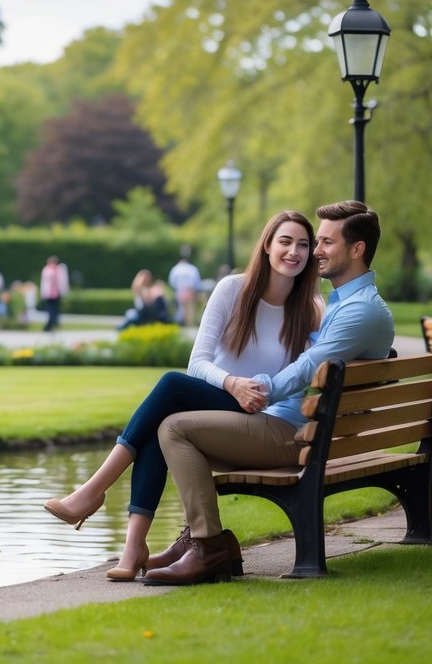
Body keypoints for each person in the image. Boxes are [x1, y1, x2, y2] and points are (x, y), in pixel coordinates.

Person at [43, 210, 323, 581]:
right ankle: (131, 545)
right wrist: (231, 384)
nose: (294, 252)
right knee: (170, 404)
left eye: (303, 244)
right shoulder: (232, 290)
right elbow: (199, 363)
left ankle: (94, 494)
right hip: (224, 400)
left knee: (170, 392)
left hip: (263, 417)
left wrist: (250, 391)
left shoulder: (311, 311)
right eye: (285, 241)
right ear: (267, 245)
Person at [144, 201, 395, 586]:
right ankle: (202, 540)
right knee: (175, 416)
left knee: (174, 429)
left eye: (325, 242)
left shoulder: (360, 310)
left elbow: (309, 367)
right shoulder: (347, 302)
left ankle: (207, 547)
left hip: (293, 435)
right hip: (302, 429)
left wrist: (258, 390)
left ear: (357, 249)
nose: (316, 251)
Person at [168, 247, 204, 326]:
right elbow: (197, 281)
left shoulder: (175, 269)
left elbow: (172, 282)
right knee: (190, 309)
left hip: (180, 290)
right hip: (190, 290)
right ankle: (189, 325)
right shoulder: (192, 269)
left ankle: (183, 324)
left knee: (182, 308)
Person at [40, 255, 70, 331]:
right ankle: (53, 323)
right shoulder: (53, 270)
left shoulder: (52, 270)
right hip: (53, 293)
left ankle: (52, 323)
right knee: (53, 309)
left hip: (52, 293)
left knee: (52, 309)